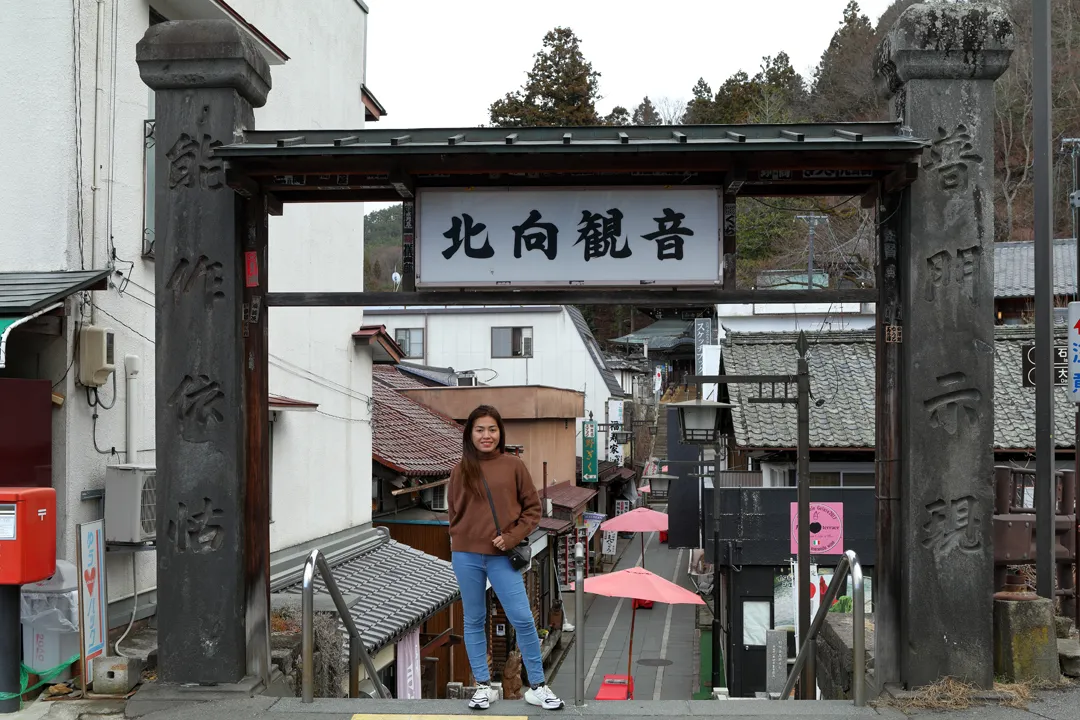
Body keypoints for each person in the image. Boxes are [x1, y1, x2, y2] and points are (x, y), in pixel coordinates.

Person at [447, 405, 565, 711]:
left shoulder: (513, 465)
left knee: (524, 620)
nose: (486, 436)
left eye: (492, 429)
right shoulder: (460, 470)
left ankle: (537, 686)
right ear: (469, 434)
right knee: (473, 620)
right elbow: (454, 513)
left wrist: (511, 537)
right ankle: (483, 687)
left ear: (500, 433)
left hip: (501, 556)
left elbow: (533, 510)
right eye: (479, 430)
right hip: (465, 555)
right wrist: (461, 540)